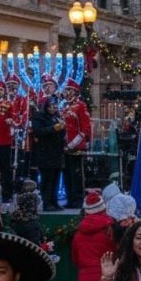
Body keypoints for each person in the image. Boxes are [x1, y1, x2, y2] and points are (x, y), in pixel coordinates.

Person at [31, 96, 66, 212]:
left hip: (57, 153)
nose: (53, 108)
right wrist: (53, 128)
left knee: (56, 178)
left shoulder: (56, 117)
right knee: (47, 179)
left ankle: (54, 201)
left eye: (55, 106)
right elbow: (38, 131)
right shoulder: (39, 116)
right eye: (50, 106)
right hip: (45, 153)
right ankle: (47, 203)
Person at [61, 79, 91, 210]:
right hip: (64, 147)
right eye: (66, 90)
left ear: (75, 92)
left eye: (70, 90)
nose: (67, 92)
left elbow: (85, 128)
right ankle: (70, 198)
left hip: (76, 147)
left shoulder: (81, 106)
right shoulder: (64, 106)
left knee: (76, 174)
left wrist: (73, 144)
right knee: (67, 174)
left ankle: (78, 199)